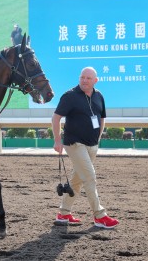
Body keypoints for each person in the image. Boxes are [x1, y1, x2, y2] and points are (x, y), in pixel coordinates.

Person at [51, 66, 119, 229]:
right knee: (90, 177)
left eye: (88, 78)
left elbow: (101, 118)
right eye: (82, 77)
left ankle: (64, 213)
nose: (84, 80)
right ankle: (100, 216)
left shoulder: (99, 96)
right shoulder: (69, 96)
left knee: (78, 179)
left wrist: (98, 137)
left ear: (95, 80)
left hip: (92, 144)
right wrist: (57, 140)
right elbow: (56, 118)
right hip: (74, 143)